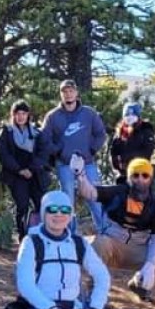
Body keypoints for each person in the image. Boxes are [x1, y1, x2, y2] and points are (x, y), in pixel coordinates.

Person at [15, 190, 110, 309]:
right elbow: (25, 283)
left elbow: (102, 275)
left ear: (71, 214)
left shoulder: (78, 243)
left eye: (65, 209)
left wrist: (93, 308)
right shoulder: (31, 242)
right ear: (43, 213)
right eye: (52, 209)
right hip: (39, 306)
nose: (58, 214)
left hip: (70, 307)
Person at [72, 155, 155, 302]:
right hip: (113, 246)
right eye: (135, 175)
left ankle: (139, 284)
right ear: (129, 178)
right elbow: (90, 193)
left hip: (137, 248)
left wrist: (150, 266)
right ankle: (94, 290)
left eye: (145, 176)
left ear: (150, 179)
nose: (140, 179)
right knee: (100, 243)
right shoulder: (118, 192)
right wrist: (80, 175)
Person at [40, 79, 107, 233]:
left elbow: (100, 134)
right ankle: (69, 235)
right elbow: (45, 139)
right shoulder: (52, 116)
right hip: (64, 164)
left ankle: (105, 233)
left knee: (94, 198)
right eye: (65, 92)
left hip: (87, 163)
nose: (68, 94)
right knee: (67, 201)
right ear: (61, 95)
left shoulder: (89, 113)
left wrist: (91, 150)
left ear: (76, 93)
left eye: (71, 91)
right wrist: (58, 152)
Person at [0, 100, 49, 240]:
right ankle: (23, 236)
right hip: (16, 175)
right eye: (18, 114)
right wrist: (19, 170)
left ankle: (42, 235)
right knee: (22, 206)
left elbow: (43, 153)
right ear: (13, 115)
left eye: (24, 114)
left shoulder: (36, 133)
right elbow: (3, 154)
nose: (21, 117)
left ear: (28, 115)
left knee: (41, 204)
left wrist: (32, 169)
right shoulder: (6, 132)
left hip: (35, 175)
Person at [109, 102, 155, 182]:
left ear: (138, 116)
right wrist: (118, 167)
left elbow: (147, 151)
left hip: (141, 174)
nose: (129, 118)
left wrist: (129, 162)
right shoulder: (119, 133)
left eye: (132, 115)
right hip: (123, 175)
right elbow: (113, 153)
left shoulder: (145, 130)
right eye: (127, 115)